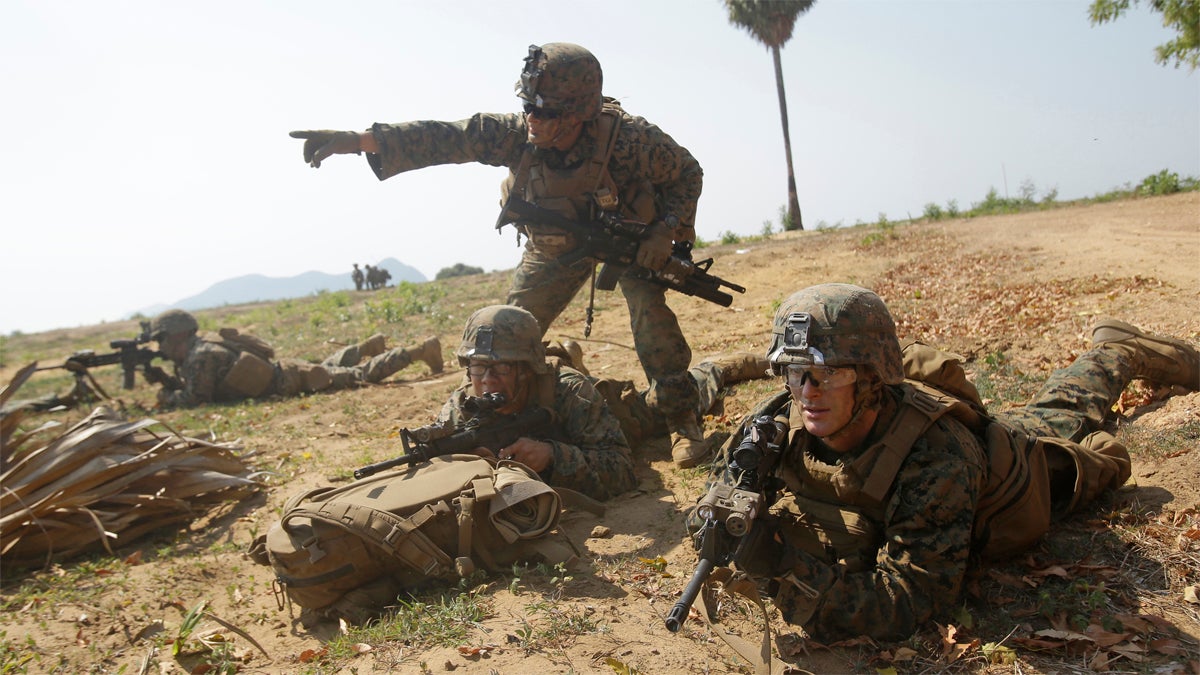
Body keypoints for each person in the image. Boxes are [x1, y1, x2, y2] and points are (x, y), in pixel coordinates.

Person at [697, 283, 1198, 642]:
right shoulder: (776, 423)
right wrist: (715, 519)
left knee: (1082, 436)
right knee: (1048, 409)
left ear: (871, 379)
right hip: (958, 445)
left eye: (827, 375)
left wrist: (784, 567)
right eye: (794, 372)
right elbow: (713, 498)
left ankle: (1118, 349)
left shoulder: (935, 459)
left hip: (1021, 475)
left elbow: (913, 604)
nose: (806, 393)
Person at [290, 42, 711, 468]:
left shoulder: (630, 139)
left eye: (545, 111)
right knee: (503, 335)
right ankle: (482, 422)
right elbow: (452, 137)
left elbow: (688, 173)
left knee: (648, 311)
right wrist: (360, 141)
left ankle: (680, 417)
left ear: (579, 112)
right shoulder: (515, 135)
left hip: (632, 241)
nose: (532, 118)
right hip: (556, 246)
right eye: (528, 105)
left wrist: (665, 229)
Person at [145, 309, 443, 408]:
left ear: (179, 335)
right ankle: (367, 345)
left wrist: (165, 393)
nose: (162, 347)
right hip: (286, 373)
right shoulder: (204, 345)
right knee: (328, 367)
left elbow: (196, 398)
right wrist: (168, 379)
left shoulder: (200, 356)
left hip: (288, 381)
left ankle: (420, 351)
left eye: (162, 339)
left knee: (357, 376)